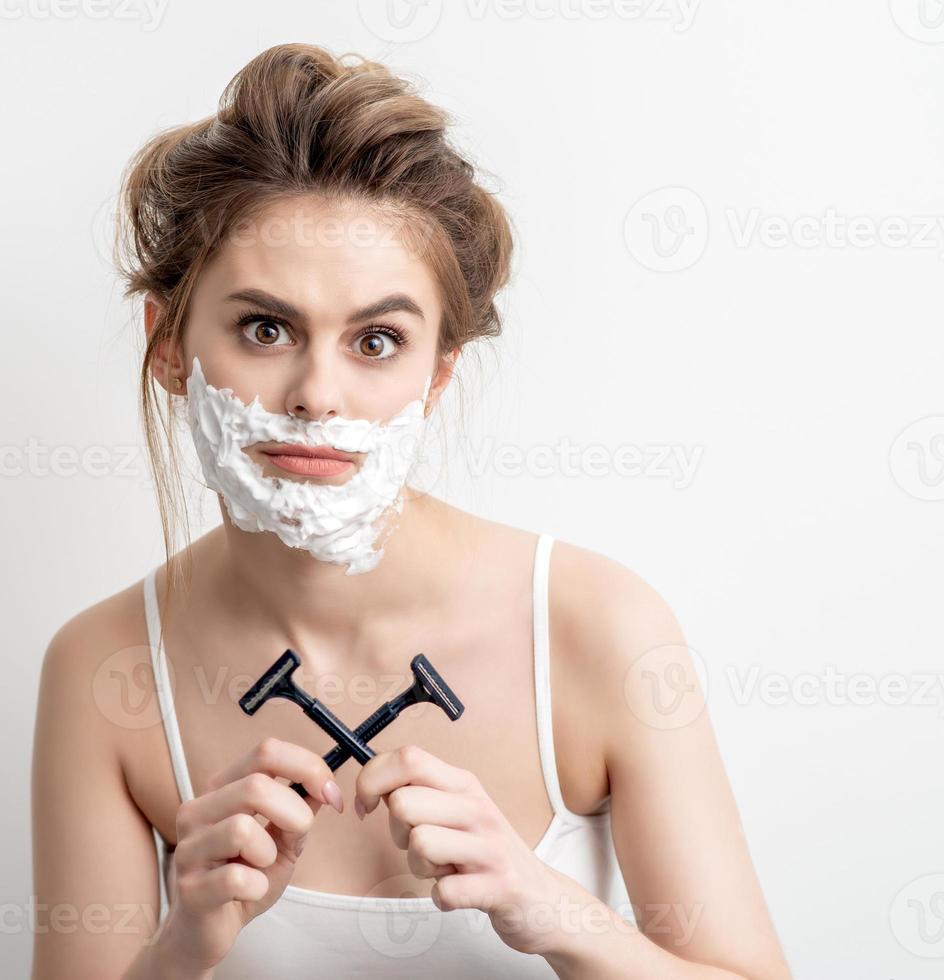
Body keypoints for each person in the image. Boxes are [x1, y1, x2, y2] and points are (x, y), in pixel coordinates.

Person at [31, 42, 792, 980]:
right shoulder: (101, 669)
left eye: (377, 340)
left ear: (436, 375)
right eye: (264, 328)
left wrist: (550, 908)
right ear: (171, 346)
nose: (317, 393)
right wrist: (184, 944)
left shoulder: (600, 626)